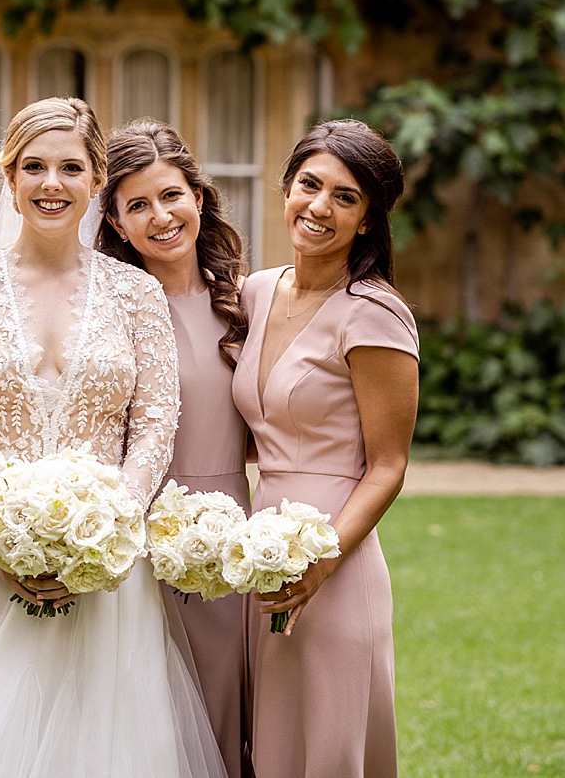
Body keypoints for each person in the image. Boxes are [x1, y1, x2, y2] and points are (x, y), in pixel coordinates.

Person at [0, 97, 226, 778]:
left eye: (70, 168)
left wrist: (107, 525)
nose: (52, 183)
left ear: (94, 181)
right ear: (8, 177)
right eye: (34, 167)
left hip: (108, 567)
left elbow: (154, 426)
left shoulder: (136, 294)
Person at [231, 119, 420, 778]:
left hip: (334, 563)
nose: (319, 207)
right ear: (286, 188)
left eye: (346, 197)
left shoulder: (375, 312)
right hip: (261, 556)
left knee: (328, 749)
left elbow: (389, 466)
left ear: (368, 220)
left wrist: (322, 560)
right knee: (271, 747)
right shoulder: (255, 293)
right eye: (310, 185)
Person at [95, 120, 250, 776]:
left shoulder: (245, 302)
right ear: (117, 224)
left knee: (230, 713)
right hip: (141, 533)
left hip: (232, 531)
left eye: (170, 195)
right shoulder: (105, 312)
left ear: (199, 197)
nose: (160, 217)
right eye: (137, 205)